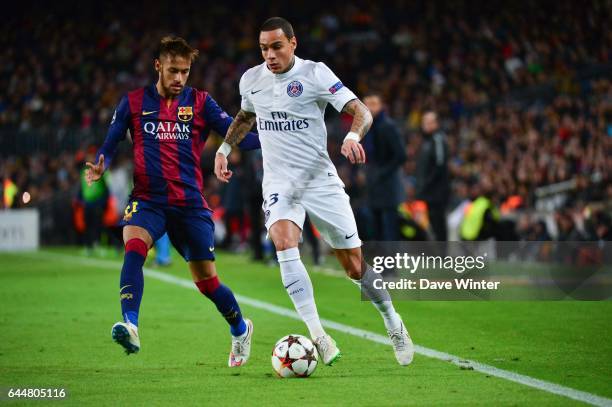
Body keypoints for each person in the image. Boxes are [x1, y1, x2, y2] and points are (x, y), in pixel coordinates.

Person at [214, 17, 414, 366]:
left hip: (319, 180)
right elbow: (246, 116)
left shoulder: (315, 74)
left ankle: (392, 321)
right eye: (263, 48)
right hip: (279, 182)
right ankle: (318, 335)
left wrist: (352, 136)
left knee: (354, 266)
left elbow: (361, 112)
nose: (270, 55)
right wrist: (224, 149)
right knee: (283, 242)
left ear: (293, 43)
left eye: (276, 46)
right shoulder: (252, 79)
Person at [85, 36, 261, 367]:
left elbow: (234, 133)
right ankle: (131, 324)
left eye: (185, 71)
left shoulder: (201, 102)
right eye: (173, 70)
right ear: (158, 66)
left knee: (207, 282)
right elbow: (111, 141)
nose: (179, 78)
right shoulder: (133, 102)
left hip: (189, 203)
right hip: (148, 200)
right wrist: (101, 161)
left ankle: (240, 328)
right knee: (134, 249)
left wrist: (273, 135)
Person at [362, 94, 407, 240]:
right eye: (367, 103)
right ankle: (381, 261)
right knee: (377, 227)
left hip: (388, 186)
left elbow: (401, 155)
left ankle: (391, 262)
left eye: (374, 103)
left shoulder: (387, 126)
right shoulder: (368, 126)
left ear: (381, 106)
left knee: (390, 228)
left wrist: (382, 172)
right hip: (375, 184)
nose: (370, 107)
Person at [415, 111, 450, 241]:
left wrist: (426, 184)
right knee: (434, 222)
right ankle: (439, 254)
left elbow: (439, 165)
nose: (426, 125)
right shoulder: (426, 141)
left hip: (437, 190)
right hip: (430, 190)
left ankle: (443, 256)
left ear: (436, 124)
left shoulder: (438, 139)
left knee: (439, 221)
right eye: (424, 122)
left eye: (429, 122)